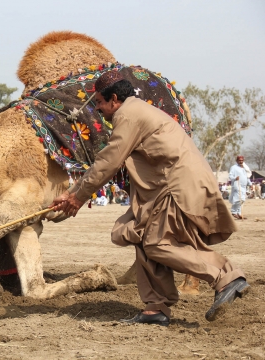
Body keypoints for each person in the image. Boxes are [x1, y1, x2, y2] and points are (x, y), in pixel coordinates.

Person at [50, 71, 249, 327]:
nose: (97, 109)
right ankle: (155, 306)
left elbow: (109, 161)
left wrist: (76, 197)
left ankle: (226, 276)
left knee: (157, 244)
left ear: (113, 99)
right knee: (139, 235)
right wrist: (72, 194)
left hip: (175, 186)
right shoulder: (136, 111)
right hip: (163, 188)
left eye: (99, 102)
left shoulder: (128, 115)